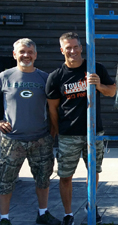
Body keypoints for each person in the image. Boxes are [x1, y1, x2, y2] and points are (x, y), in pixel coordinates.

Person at [45, 32, 116, 225]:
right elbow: (52, 107)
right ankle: (68, 214)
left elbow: (112, 91)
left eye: (76, 46)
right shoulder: (56, 77)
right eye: (68, 47)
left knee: (93, 172)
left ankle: (91, 205)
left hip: (94, 133)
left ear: (81, 48)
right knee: (65, 176)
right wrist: (56, 129)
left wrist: (99, 85)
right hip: (68, 134)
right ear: (62, 50)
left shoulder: (95, 68)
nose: (73, 51)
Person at [0, 38, 61, 225]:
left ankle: (43, 214)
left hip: (40, 138)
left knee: (43, 179)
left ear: (35, 55)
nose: (26, 55)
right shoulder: (4, 77)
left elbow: (54, 107)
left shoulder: (45, 78)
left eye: (30, 52)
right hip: (11, 139)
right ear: (14, 54)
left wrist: (52, 132)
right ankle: (4, 218)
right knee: (5, 181)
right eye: (22, 52)